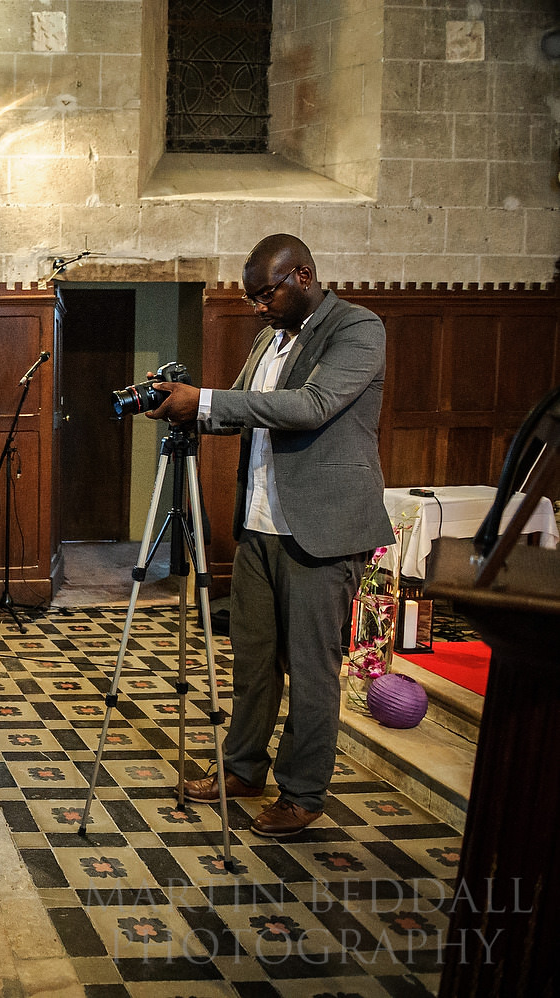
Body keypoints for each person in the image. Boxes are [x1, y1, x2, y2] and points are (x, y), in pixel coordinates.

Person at [147, 233, 393, 839]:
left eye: (266, 294)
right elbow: (241, 409)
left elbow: (311, 406)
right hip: (259, 524)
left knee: (310, 670)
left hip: (322, 528)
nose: (258, 307)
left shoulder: (357, 329)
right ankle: (242, 769)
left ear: (303, 275)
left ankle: (303, 793)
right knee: (252, 662)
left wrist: (206, 400)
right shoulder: (268, 338)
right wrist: (184, 405)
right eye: (252, 298)